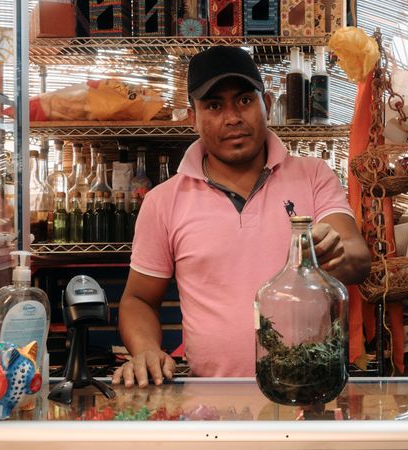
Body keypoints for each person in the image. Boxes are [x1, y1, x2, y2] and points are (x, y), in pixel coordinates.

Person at [112, 46, 371, 388]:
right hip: (213, 404)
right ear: (193, 116)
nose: (232, 117)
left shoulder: (313, 176)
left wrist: (332, 251)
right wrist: (145, 349)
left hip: (309, 390)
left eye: (245, 100)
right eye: (214, 105)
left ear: (265, 103)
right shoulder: (164, 201)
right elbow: (139, 299)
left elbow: (357, 256)